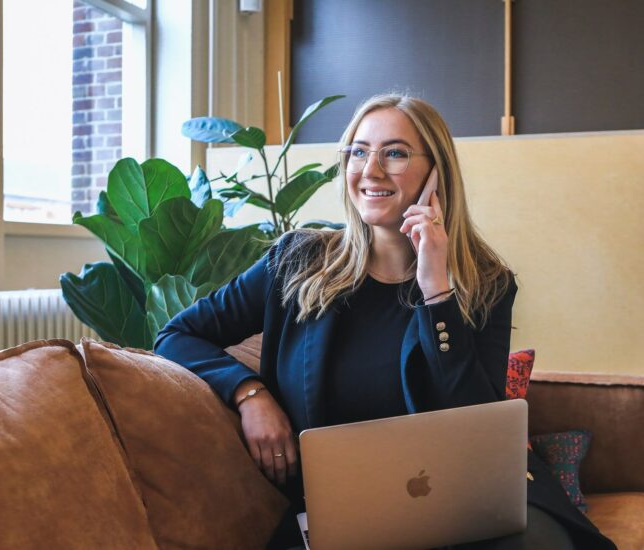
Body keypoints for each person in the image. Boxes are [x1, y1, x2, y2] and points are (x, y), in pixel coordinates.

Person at [155, 94, 616, 549]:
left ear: (437, 173)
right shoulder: (296, 262)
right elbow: (176, 334)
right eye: (358, 151)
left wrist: (437, 291)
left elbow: (479, 425)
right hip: (344, 511)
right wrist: (249, 394)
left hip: (468, 503)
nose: (370, 170)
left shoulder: (486, 283)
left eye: (394, 153)